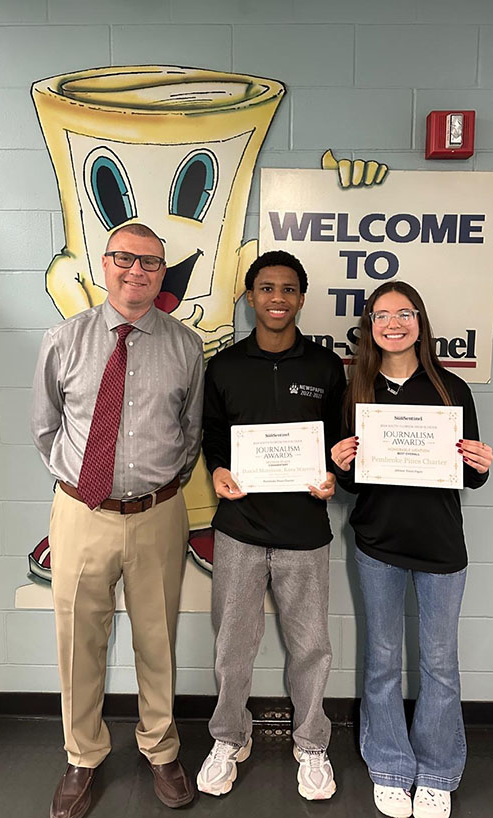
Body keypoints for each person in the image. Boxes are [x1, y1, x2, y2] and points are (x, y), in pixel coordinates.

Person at [31, 223, 204, 817]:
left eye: (151, 263)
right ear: (104, 265)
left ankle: (160, 747)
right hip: (81, 513)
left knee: (158, 637)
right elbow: (45, 424)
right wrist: (82, 483)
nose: (137, 271)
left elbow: (191, 431)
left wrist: (161, 486)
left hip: (158, 512)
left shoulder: (185, 345)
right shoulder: (64, 339)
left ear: (162, 274)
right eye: (125, 259)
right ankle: (82, 755)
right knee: (78, 640)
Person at [331, 281, 493, 818]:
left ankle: (438, 771)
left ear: (420, 322)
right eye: (382, 315)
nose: (393, 323)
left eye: (404, 313)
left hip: (441, 545)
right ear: (370, 325)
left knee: (441, 662)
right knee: (381, 660)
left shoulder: (451, 389)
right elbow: (352, 482)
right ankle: (390, 766)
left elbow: (469, 480)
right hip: (378, 542)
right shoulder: (357, 386)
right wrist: (340, 459)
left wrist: (480, 464)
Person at [197, 250, 346, 800]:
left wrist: (332, 473)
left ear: (301, 298)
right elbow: (213, 433)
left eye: (287, 288)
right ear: (251, 296)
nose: (276, 297)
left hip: (305, 534)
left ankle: (311, 743)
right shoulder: (226, 366)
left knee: (311, 647)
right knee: (232, 646)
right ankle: (229, 738)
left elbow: (339, 440)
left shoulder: (326, 368)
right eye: (266, 288)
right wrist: (216, 469)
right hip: (239, 530)